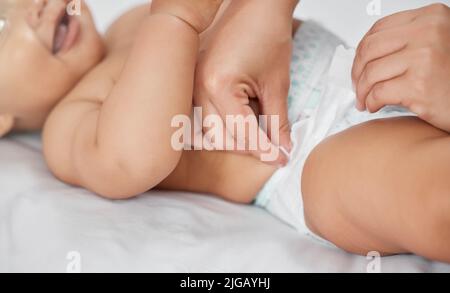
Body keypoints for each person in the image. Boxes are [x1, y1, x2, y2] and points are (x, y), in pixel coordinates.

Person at [0, 0, 448, 262]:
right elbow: (130, 158)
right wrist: (172, 20)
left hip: (359, 71)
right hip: (310, 157)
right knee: (434, 201)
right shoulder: (67, 127)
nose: (32, 6)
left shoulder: (127, 24)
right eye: (2, 27)